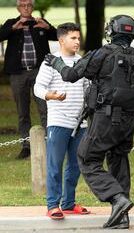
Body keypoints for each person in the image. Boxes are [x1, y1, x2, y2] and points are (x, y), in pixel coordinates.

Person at [44, 15, 134, 229]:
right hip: (128, 120)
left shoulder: (103, 53)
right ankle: (122, 217)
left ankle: (117, 198)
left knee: (87, 158)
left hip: (106, 118)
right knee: (119, 161)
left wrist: (56, 62)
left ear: (111, 31)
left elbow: (72, 74)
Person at [34, 22, 90, 220]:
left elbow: (87, 89)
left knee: (75, 166)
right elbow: (37, 87)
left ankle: (68, 203)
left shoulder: (81, 61)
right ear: (61, 40)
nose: (77, 41)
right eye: (73, 38)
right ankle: (52, 205)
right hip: (58, 122)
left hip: (80, 124)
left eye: (78, 38)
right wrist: (50, 95)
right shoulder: (51, 61)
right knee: (55, 165)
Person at [0, 0, 57, 159]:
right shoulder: (12, 23)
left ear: (32, 7)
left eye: (29, 5)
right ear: (18, 8)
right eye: (23, 6)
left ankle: (50, 143)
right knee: (22, 112)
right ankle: (26, 146)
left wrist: (47, 27)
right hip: (18, 74)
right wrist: (12, 29)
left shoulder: (39, 23)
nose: (26, 8)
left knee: (45, 108)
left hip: (41, 72)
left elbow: (58, 36)